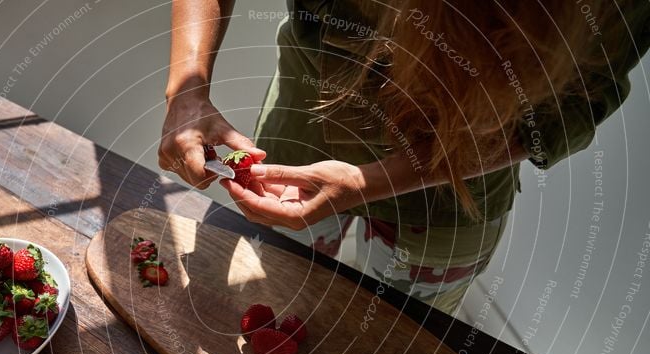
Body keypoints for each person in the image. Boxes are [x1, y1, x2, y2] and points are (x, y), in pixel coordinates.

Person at [159, 0, 650, 314]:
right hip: (291, 140)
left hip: (448, 204)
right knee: (269, 298)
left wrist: (371, 181)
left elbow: (580, 101)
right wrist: (187, 89)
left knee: (396, 343)